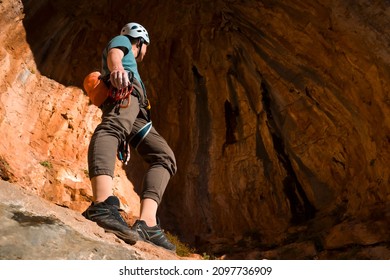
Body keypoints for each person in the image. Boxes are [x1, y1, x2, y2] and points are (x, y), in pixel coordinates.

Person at [82, 22, 177, 251]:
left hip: (139, 111)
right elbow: (115, 53)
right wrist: (116, 69)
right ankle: (102, 204)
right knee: (112, 128)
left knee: (164, 157)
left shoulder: (133, 64)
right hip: (124, 91)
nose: (146, 53)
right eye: (146, 48)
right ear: (141, 42)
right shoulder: (124, 41)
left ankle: (148, 225)